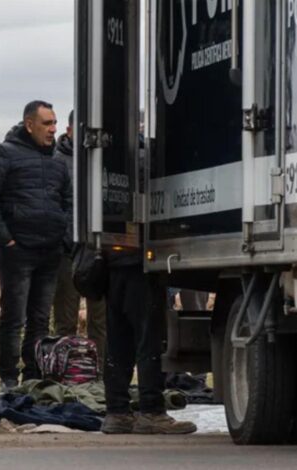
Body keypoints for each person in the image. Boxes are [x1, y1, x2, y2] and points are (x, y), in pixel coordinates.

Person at [100, 121, 196, 435]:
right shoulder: (143, 158)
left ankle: (116, 412)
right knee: (147, 341)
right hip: (139, 260)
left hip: (113, 260)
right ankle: (151, 411)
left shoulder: (105, 159)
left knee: (118, 341)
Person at [0, 100, 72, 392]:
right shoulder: (3, 154)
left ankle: (33, 378)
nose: (53, 130)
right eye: (47, 124)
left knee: (40, 320)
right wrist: (6, 240)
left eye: (55, 123)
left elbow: (67, 200)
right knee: (14, 317)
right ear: (29, 125)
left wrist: (63, 235)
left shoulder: (57, 161)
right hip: (17, 252)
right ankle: (8, 379)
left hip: (50, 251)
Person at [51, 110, 107, 367]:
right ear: (70, 130)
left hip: (99, 251)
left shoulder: (103, 159)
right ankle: (65, 371)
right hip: (67, 251)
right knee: (65, 320)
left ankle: (100, 371)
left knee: (101, 320)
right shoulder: (56, 161)